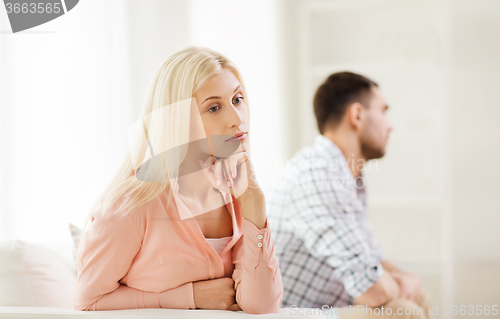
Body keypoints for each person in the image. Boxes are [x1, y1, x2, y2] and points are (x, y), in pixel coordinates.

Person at [74, 46, 283, 314]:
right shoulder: (129, 206)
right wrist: (188, 297)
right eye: (214, 107)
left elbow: (262, 306)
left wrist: (255, 203)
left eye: (238, 99)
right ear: (178, 119)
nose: (236, 119)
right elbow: (88, 302)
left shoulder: (240, 195)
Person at [267, 72, 431, 319]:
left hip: (330, 304)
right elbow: (371, 290)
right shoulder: (317, 174)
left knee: (416, 295)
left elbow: (372, 258)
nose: (390, 125)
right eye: (383, 111)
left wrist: (405, 279)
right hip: (295, 312)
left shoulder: (348, 177)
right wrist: (399, 283)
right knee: (403, 312)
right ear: (357, 115)